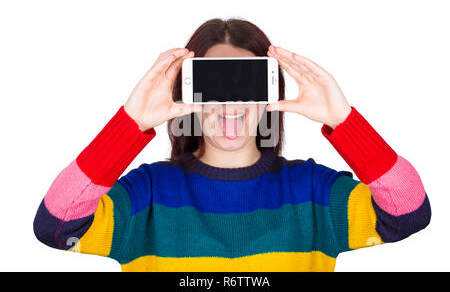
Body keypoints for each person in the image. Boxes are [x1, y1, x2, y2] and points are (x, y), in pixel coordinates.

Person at [33, 17, 431, 272]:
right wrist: (129, 123)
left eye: (244, 84)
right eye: (214, 86)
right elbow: (56, 227)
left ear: (269, 95)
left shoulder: (312, 191)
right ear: (187, 96)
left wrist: (346, 122)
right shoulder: (148, 194)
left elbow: (408, 213)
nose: (230, 105)